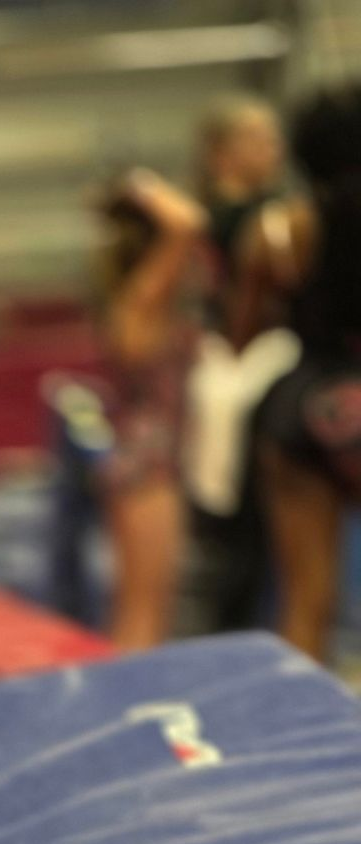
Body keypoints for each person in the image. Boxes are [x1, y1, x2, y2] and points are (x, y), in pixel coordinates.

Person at [246, 84, 361, 665]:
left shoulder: (282, 228)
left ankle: (305, 747)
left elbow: (240, 333)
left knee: (306, 601)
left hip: (304, 403)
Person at [185, 96, 298, 632]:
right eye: (258, 139)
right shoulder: (237, 221)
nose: (272, 151)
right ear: (220, 153)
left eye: (274, 139)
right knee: (236, 529)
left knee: (255, 532)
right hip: (237, 376)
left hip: (246, 372)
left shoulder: (266, 212)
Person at [93, 168, 207, 651]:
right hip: (148, 462)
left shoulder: (135, 302)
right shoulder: (142, 300)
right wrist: (139, 186)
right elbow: (187, 223)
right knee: (145, 610)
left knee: (145, 605)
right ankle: (131, 707)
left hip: (145, 457)